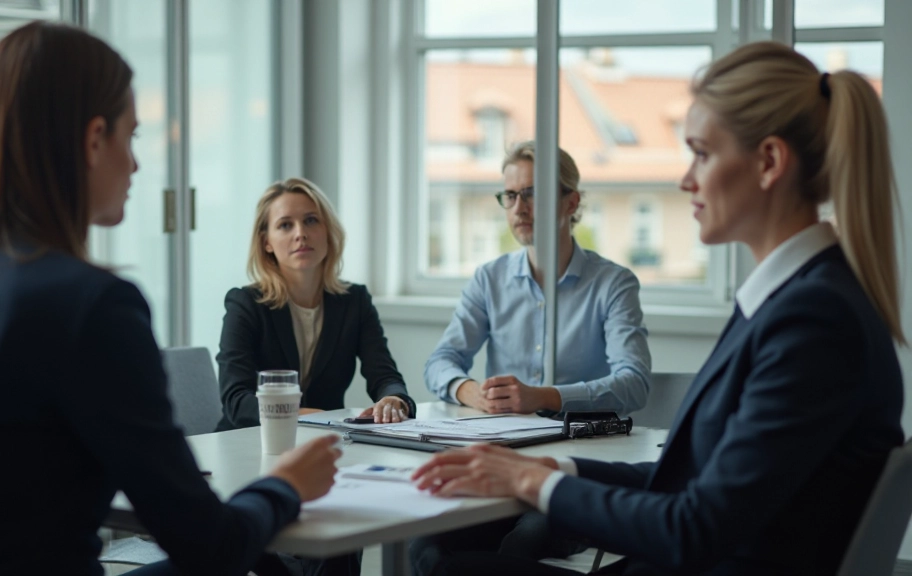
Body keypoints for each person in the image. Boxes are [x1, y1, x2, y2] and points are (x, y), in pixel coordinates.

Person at [410, 41, 906, 576]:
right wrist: (561, 467)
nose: (685, 179)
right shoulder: (795, 302)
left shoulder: (813, 322)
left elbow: (694, 527)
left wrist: (535, 481)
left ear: (768, 162)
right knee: (441, 551)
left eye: (701, 152)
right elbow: (693, 482)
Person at [0, 22, 340, 576]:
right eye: (132, 137)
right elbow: (210, 545)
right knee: (271, 568)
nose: (135, 164)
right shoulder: (91, 306)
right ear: (94, 139)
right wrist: (285, 485)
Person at [424, 141, 651, 417]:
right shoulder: (488, 279)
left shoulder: (613, 283)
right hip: (503, 441)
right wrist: (473, 392)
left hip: (583, 445)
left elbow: (634, 383)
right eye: (510, 195)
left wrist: (544, 397)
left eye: (531, 194)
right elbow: (439, 362)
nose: (519, 208)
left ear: (571, 202)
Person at [215, 177, 416, 432]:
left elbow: (384, 375)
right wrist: (309, 416)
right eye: (285, 225)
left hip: (325, 442)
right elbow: (236, 400)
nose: (301, 234)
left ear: (328, 232)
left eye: (311, 220)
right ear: (266, 242)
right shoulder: (245, 304)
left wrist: (394, 400)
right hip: (250, 440)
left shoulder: (354, 301)